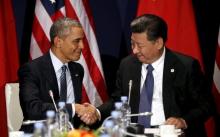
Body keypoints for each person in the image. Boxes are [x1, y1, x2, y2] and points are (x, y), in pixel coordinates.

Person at [112, 14, 214, 137]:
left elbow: (206, 105)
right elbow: (117, 100)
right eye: (132, 44)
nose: (134, 50)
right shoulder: (127, 65)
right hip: (135, 133)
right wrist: (96, 111)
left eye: (140, 45)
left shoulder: (185, 66)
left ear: (159, 43)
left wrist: (183, 121)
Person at [18, 17, 100, 132]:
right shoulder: (32, 70)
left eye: (82, 41)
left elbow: (73, 116)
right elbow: (32, 109)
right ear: (58, 42)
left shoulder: (77, 70)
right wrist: (73, 108)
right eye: (76, 41)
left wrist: (88, 114)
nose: (82, 46)